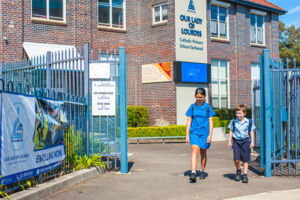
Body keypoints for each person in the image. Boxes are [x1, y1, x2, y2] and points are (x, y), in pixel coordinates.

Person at [185, 88, 215, 182]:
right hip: (194, 132)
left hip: (205, 133)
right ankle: (193, 172)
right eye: (198, 97)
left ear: (204, 97)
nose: (200, 99)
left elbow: (211, 122)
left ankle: (202, 170)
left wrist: (210, 135)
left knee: (203, 152)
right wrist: (187, 135)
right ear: (195, 96)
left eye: (201, 97)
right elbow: (189, 121)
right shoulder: (192, 107)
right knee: (195, 150)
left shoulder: (208, 107)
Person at [227, 104, 255, 183]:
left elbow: (251, 132)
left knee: (246, 159)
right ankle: (238, 170)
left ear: (244, 113)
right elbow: (231, 131)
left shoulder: (248, 122)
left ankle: (245, 175)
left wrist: (252, 142)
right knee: (236, 159)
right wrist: (229, 141)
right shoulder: (233, 122)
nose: (238, 115)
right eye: (237, 113)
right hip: (236, 141)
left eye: (240, 113)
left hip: (245, 141)